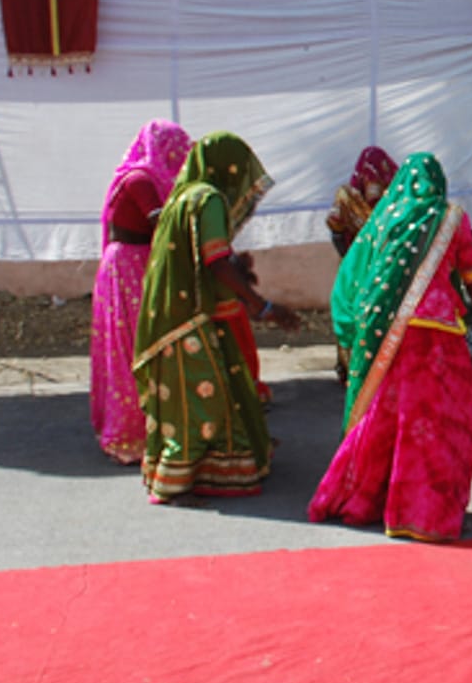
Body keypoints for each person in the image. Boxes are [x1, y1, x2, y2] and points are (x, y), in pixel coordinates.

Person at [308, 152, 472, 542]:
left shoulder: (386, 218)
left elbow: (361, 272)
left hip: (392, 331)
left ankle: (369, 500)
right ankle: (427, 512)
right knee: (441, 422)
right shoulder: (452, 218)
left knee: (389, 417)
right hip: (440, 332)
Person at [131, 132, 300, 503]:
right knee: (207, 397)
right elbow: (215, 260)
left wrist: (239, 269)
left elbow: (202, 257)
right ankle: (200, 472)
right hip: (192, 317)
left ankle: (178, 471)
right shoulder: (208, 199)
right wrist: (261, 305)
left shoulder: (180, 197)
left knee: (196, 394)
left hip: (177, 313)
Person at [89, 119, 192, 464]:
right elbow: (163, 223)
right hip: (128, 268)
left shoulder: (150, 179)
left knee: (142, 342)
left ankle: (153, 424)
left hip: (139, 264)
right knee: (134, 345)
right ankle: (129, 432)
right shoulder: (140, 179)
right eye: (177, 149)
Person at [325, 146, 399, 382]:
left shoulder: (395, 198)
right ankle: (349, 366)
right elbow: (335, 229)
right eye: (370, 180)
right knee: (350, 311)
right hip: (354, 265)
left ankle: (380, 365)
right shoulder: (347, 197)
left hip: (384, 265)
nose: (373, 188)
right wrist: (354, 259)